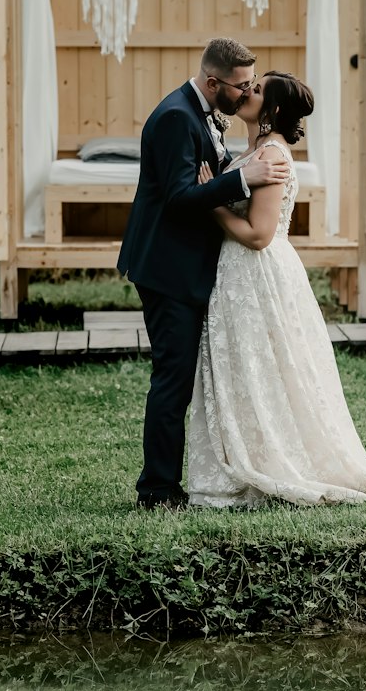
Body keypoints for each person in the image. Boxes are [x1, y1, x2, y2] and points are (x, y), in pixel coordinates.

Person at [188, 71, 366, 506]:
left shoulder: (273, 153)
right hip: (241, 274)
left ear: (272, 110)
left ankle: (275, 461)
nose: (246, 93)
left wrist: (212, 201)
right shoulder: (256, 148)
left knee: (264, 369)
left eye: (256, 90)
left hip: (257, 273)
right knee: (252, 371)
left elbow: (259, 233)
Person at [118, 40, 291, 509]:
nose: (245, 93)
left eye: (252, 85)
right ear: (214, 83)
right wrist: (240, 180)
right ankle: (157, 490)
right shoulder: (177, 116)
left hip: (186, 266)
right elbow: (177, 198)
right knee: (172, 379)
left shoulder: (206, 113)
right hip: (168, 268)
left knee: (179, 377)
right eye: (241, 86)